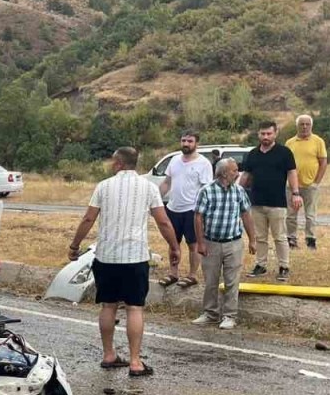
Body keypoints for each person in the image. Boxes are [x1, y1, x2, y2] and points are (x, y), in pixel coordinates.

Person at [69, 147, 180, 377]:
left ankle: (109, 354)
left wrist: (74, 245)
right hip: (135, 257)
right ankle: (135, 361)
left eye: (113, 162)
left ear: (118, 163)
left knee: (108, 305)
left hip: (107, 256)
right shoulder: (148, 187)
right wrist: (174, 245)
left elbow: (89, 218)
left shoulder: (104, 186)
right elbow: (163, 222)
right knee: (134, 307)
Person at [192, 159, 257, 330]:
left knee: (232, 281)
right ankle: (210, 313)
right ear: (224, 173)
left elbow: (246, 215)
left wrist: (252, 239)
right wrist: (200, 243)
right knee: (211, 280)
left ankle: (230, 315)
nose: (238, 173)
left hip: (234, 242)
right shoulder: (206, 191)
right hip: (211, 242)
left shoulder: (239, 191)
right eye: (235, 170)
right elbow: (198, 217)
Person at [241, 121, 302, 282]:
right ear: (258, 134)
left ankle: (284, 266)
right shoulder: (253, 154)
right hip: (257, 203)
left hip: (277, 203)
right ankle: (260, 265)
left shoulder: (284, 152)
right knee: (260, 237)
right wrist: (236, 192)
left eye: (269, 133)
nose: (266, 137)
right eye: (263, 134)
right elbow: (246, 175)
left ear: (275, 134)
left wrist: (296, 193)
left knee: (280, 237)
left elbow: (292, 173)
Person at [158, 131, 213, 289]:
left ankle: (192, 275)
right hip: (172, 208)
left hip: (192, 210)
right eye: (183, 140)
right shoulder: (174, 160)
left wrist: (202, 211)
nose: (186, 144)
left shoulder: (203, 164)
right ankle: (173, 273)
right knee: (173, 242)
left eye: (190, 141)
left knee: (193, 244)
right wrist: (154, 198)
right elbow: (167, 182)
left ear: (197, 143)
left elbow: (205, 189)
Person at [285, 114, 328, 250]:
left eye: (307, 124)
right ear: (297, 126)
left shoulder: (318, 141)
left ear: (311, 126)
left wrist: (317, 182)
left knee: (310, 215)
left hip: (310, 185)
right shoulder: (290, 143)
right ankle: (291, 239)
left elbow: (323, 162)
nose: (304, 127)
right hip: (292, 186)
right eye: (301, 124)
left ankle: (310, 239)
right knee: (291, 215)